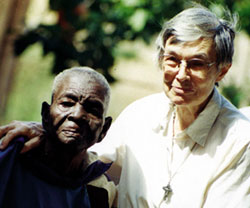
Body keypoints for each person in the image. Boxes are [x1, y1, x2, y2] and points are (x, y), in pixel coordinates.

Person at [1, 5, 250, 208]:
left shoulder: (240, 140)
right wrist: (47, 134)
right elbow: (87, 162)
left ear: (222, 70)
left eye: (196, 63)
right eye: (172, 59)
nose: (181, 75)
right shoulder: (141, 114)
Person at [0, 67, 116, 208]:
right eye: (66, 103)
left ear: (104, 129)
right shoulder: (10, 156)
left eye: (92, 110)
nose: (77, 114)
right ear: (46, 115)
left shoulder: (99, 189)